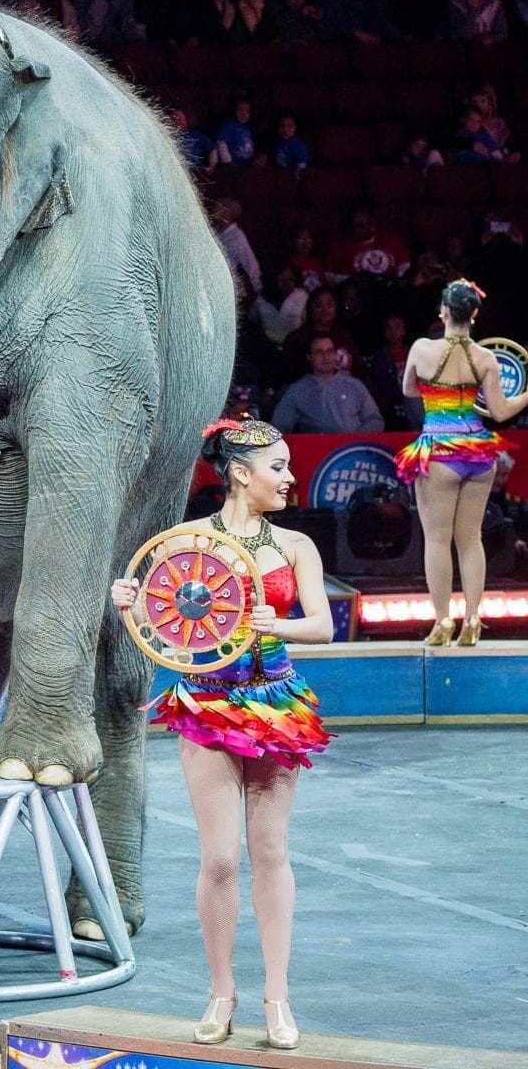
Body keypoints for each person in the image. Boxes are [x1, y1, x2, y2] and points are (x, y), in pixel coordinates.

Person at [113, 417, 333, 1052]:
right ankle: (221, 991)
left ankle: (276, 997)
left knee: (270, 854)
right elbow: (161, 615)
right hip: (206, 707)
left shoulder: (295, 546)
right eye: (279, 468)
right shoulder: (186, 543)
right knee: (219, 858)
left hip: (275, 707)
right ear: (241, 474)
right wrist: (129, 597)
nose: (291, 478)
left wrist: (277, 625)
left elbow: (320, 625)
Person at [396, 280, 528, 646]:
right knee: (471, 540)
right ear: (474, 313)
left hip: (439, 449)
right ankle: (472, 619)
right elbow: (500, 411)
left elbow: (409, 389)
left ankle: (443, 621)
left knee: (437, 539)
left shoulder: (422, 349)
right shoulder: (485, 359)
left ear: (443, 311)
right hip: (477, 452)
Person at [272, 336, 385, 433]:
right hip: (319, 452)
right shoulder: (297, 390)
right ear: (310, 357)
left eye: (329, 351)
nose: (325, 357)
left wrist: (356, 439)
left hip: (354, 451)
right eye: (319, 352)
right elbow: (279, 426)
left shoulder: (354, 385)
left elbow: (375, 420)